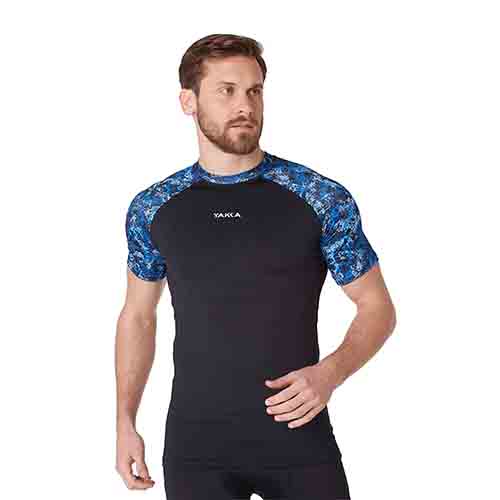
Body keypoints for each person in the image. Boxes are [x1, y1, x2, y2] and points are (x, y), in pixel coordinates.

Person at [115, 33, 397, 500]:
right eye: (226, 91)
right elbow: (138, 316)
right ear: (188, 101)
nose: (244, 105)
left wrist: (330, 373)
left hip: (298, 440)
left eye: (254, 91)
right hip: (195, 450)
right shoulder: (154, 207)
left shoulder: (320, 198)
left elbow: (377, 306)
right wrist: (125, 422)